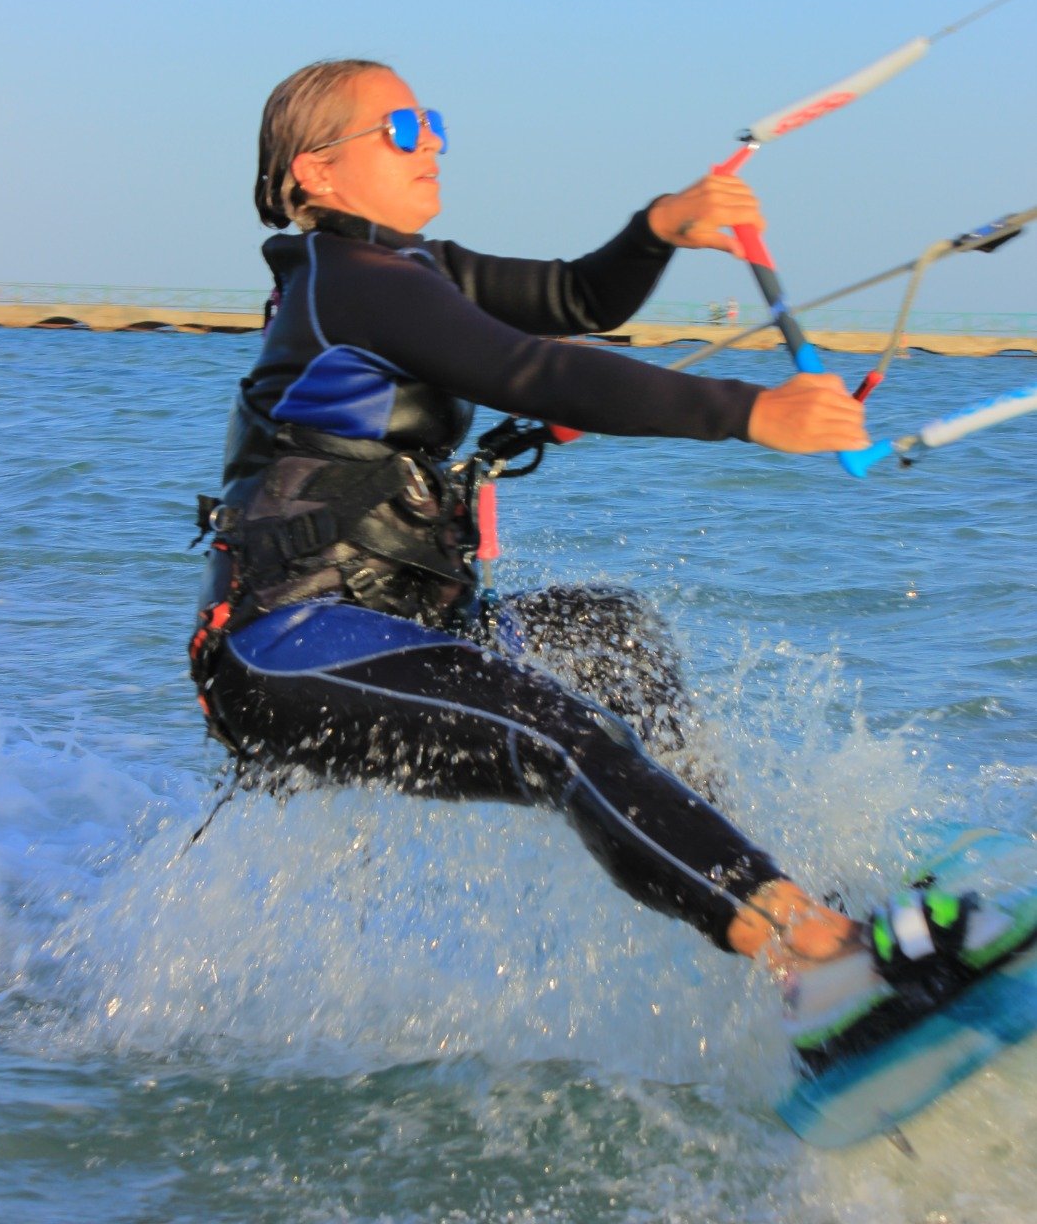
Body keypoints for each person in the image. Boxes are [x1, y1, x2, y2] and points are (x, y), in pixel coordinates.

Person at [190, 58, 983, 1044]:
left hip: (406, 622)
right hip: (285, 641)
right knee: (557, 728)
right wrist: (753, 412)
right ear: (316, 172)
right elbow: (535, 370)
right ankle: (808, 946)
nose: (430, 140)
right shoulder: (347, 286)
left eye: (430, 120)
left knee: (616, 637)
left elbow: (572, 300)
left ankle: (763, 901)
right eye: (399, 129)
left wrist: (656, 226)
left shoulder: (418, 271)